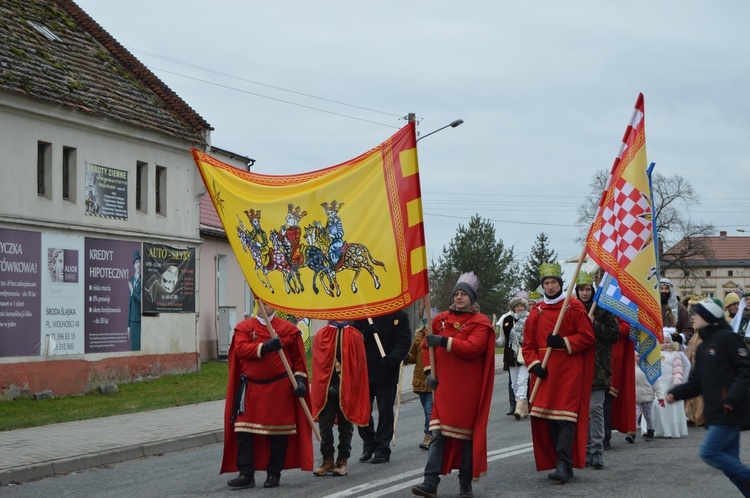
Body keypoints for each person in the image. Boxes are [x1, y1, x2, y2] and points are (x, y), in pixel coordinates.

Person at [411, 272, 495, 498]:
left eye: (463, 294)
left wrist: (443, 341)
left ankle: (465, 486)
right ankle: (430, 483)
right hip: (444, 388)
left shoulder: (480, 323)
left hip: (468, 391)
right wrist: (428, 371)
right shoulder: (439, 320)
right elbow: (425, 347)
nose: (459, 297)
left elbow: (472, 348)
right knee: (437, 434)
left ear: (472, 298)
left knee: (464, 439)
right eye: (456, 294)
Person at [221, 302, 313, 489]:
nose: (265, 306)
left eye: (268, 303)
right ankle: (246, 474)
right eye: (261, 302)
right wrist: (265, 347)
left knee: (279, 434)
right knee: (243, 431)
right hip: (251, 389)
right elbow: (241, 349)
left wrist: (301, 381)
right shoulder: (245, 328)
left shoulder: (288, 330)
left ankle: (274, 474)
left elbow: (297, 360)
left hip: (280, 389)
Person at [668, 298, 750, 497]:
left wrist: (731, 398)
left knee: (710, 452)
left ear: (709, 317)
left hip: (729, 410)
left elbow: (746, 369)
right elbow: (697, 382)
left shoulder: (728, 338)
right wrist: (675, 393)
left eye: (697, 313)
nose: (693, 316)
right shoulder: (704, 346)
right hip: (715, 412)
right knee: (731, 469)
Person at [522, 262, 595, 484]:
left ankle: (564, 463)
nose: (550, 286)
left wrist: (563, 342)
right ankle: (559, 461)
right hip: (543, 372)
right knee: (548, 420)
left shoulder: (573, 307)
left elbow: (587, 337)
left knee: (565, 419)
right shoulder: (535, 311)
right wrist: (534, 365)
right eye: (547, 283)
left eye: (554, 282)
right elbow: (527, 345)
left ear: (560, 284)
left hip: (568, 371)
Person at [311, 319, 370, 477]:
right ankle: (327, 459)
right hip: (327, 389)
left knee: (345, 426)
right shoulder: (322, 335)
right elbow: (318, 364)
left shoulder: (354, 335)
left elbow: (359, 365)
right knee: (325, 426)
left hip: (347, 388)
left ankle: (342, 460)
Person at [353, 309, 411, 464]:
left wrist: (394, 358)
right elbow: (351, 339)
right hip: (364, 370)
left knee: (385, 411)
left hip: (386, 370)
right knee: (363, 412)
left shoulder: (399, 315)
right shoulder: (363, 313)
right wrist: (365, 335)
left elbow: (404, 341)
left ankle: (382, 448)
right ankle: (369, 442)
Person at [574, 271, 619, 469]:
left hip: (599, 367)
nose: (585, 293)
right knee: (577, 412)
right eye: (581, 290)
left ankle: (596, 450)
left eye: (587, 289)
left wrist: (594, 324)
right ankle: (581, 450)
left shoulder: (603, 309)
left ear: (593, 290)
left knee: (595, 410)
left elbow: (613, 335)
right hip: (576, 369)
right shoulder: (571, 308)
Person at [651, 333, 688, 438]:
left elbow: (677, 369)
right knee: (656, 405)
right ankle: (655, 429)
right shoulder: (655, 354)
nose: (665, 344)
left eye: (667, 342)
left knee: (669, 407)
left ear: (671, 343)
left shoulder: (675, 354)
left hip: (670, 383)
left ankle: (671, 429)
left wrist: (677, 381)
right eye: (662, 342)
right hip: (658, 383)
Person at [406, 313, 434, 450]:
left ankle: (428, 435)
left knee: (430, 409)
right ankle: (435, 433)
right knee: (427, 409)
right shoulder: (419, 336)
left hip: (432, 379)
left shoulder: (438, 336)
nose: (429, 324)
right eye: (427, 322)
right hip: (420, 380)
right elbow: (413, 356)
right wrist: (405, 356)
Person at [503, 295, 530, 420]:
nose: (520, 308)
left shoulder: (530, 318)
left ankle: (519, 407)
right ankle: (523, 408)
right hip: (511, 355)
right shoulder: (507, 320)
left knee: (522, 381)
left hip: (525, 353)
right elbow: (502, 340)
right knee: (514, 383)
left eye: (522, 306)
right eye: (517, 306)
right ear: (513, 308)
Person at [634, 352, 665, 441]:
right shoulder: (631, 368)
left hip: (647, 396)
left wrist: (660, 396)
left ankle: (650, 430)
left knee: (648, 415)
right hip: (635, 396)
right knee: (634, 415)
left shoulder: (650, 369)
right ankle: (632, 433)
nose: (640, 358)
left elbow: (657, 383)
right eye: (637, 356)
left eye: (642, 356)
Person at [659, 278, 694, 348]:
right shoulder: (653, 307)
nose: (664, 291)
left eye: (666, 288)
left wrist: (680, 338)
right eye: (661, 288)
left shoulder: (680, 308)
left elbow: (689, 330)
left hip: (674, 349)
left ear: (670, 290)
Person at [128, 250, 142, 351]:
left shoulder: (143, 279)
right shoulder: (132, 280)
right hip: (132, 321)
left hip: (139, 320)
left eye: (139, 262)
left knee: (139, 347)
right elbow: (130, 304)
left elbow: (141, 300)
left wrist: (133, 291)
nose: (138, 264)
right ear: (134, 265)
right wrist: (128, 325)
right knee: (133, 348)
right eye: (136, 262)